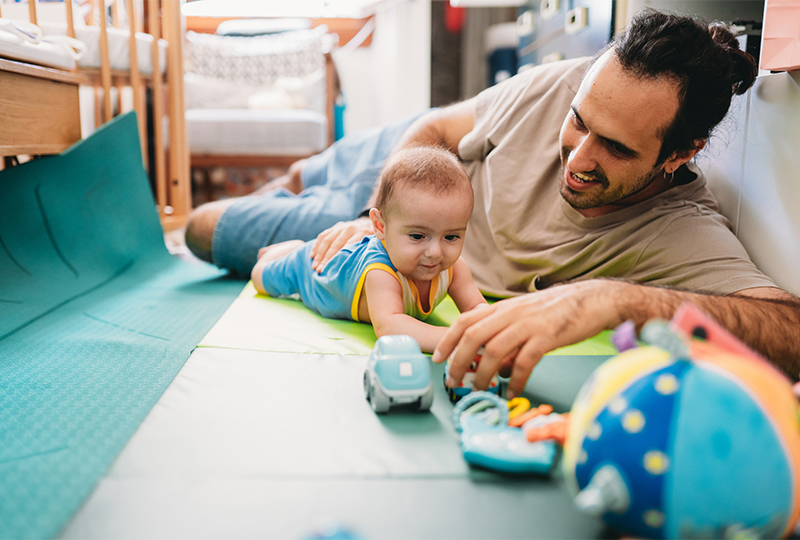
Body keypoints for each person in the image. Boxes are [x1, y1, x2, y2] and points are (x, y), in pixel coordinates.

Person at [186, 11, 800, 392]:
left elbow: (791, 330)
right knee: (261, 201)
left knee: (207, 231)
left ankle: (306, 187)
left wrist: (615, 298)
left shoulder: (682, 231)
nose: (578, 156)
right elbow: (437, 132)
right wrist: (370, 226)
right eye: (578, 121)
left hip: (418, 243)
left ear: (679, 155)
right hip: (395, 187)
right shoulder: (558, 85)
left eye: (613, 148)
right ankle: (306, 178)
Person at [250, 146, 487, 352]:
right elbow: (390, 325)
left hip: (344, 258)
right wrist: (457, 339)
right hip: (314, 268)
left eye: (451, 236)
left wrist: (492, 332)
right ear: (379, 226)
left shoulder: (455, 268)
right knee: (260, 278)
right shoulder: (381, 272)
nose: (435, 252)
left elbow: (477, 309)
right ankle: (286, 250)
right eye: (417, 236)